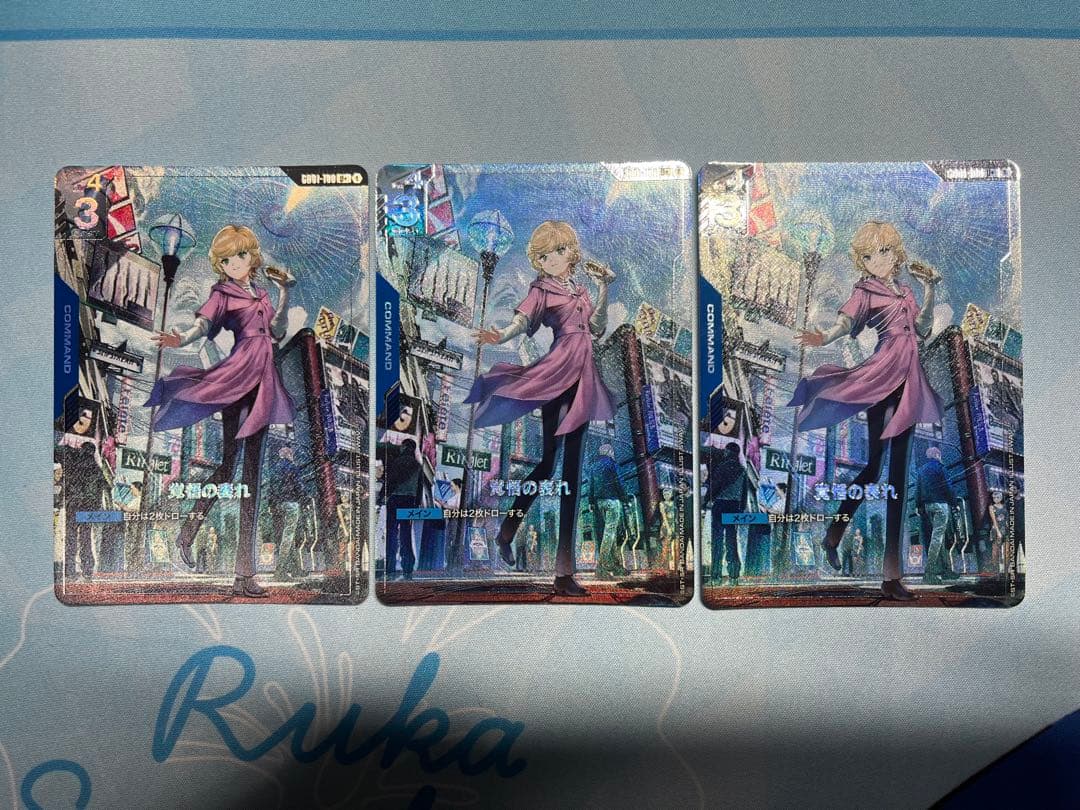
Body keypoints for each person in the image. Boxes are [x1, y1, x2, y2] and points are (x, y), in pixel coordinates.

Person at [789, 221, 944, 601]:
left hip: (910, 381)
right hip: (882, 378)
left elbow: (922, 328)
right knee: (875, 468)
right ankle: (834, 533)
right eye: (869, 255)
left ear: (896, 253)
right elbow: (846, 322)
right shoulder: (865, 290)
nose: (878, 260)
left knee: (899, 476)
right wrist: (823, 337)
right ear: (862, 261)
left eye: (885, 251)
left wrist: (929, 290)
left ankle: (891, 577)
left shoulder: (906, 291)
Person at [466, 221, 616, 597]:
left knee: (572, 474)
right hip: (557, 375)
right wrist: (500, 335)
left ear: (571, 252)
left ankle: (564, 574)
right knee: (549, 465)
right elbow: (522, 321)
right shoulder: (541, 289)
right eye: (544, 255)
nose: (552, 259)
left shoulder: (580, 290)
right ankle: (507, 530)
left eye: (559, 251)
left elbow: (596, 327)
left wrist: (603, 288)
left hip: (584, 378)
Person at [146, 225, 296, 598]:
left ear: (252, 257)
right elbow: (203, 325)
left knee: (253, 478)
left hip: (264, 380)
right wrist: (181, 338)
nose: (235, 263)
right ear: (221, 264)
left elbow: (276, 330)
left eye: (241, 255)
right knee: (230, 468)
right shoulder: (222, 293)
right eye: (227, 259)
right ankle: (187, 533)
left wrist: (284, 293)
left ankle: (244, 575)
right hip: (237, 378)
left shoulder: (263, 293)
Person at [916, 446, 960, 585]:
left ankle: (945, 570)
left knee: (939, 537)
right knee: (937, 538)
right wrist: (954, 503)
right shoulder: (940, 468)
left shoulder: (921, 470)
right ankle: (929, 573)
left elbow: (918, 488)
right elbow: (948, 486)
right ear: (937, 455)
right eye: (940, 455)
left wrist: (918, 505)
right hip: (941, 505)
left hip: (927, 506)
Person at [63, 441, 106, 582]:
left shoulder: (74, 465)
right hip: (88, 509)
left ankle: (69, 571)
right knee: (86, 538)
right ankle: (87, 570)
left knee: (71, 538)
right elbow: (100, 492)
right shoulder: (97, 470)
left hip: (73, 506)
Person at [707, 442, 748, 585]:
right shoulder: (743, 470)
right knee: (731, 540)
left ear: (728, 452)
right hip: (734, 506)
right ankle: (734, 575)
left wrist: (707, 500)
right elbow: (744, 493)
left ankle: (716, 576)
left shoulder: (722, 467)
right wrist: (741, 509)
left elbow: (714, 486)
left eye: (725, 451)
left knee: (717, 541)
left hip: (720, 505)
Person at [384, 437, 422, 580]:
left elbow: (390, 482)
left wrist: (384, 496)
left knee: (391, 534)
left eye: (402, 446)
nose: (400, 448)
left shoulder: (396, 462)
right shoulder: (417, 466)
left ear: (405, 447)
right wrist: (416, 504)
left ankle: (390, 569)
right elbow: (419, 488)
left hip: (395, 499)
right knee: (406, 535)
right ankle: (408, 569)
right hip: (409, 500)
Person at [589, 443, 629, 579]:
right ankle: (601, 568)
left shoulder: (593, 466)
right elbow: (619, 482)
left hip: (599, 502)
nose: (614, 454)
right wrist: (625, 498)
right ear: (610, 452)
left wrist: (591, 502)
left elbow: (591, 485)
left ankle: (616, 565)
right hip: (612, 501)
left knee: (610, 533)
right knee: (610, 534)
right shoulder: (612, 464)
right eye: (613, 452)